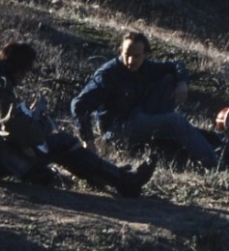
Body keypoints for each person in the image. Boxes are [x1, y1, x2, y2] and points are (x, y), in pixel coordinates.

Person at [0, 42, 154, 197]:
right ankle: (125, 182)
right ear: (19, 70)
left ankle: (110, 176)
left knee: (51, 160)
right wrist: (39, 125)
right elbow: (16, 129)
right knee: (64, 142)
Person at [71, 30, 219, 168]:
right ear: (120, 51)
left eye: (136, 56)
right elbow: (78, 104)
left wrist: (182, 83)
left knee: (169, 79)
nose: (131, 61)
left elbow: (176, 65)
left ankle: (168, 137)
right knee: (175, 121)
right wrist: (88, 140)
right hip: (118, 130)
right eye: (127, 54)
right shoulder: (108, 74)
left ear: (145, 55)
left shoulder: (145, 67)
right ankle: (213, 163)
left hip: (138, 114)